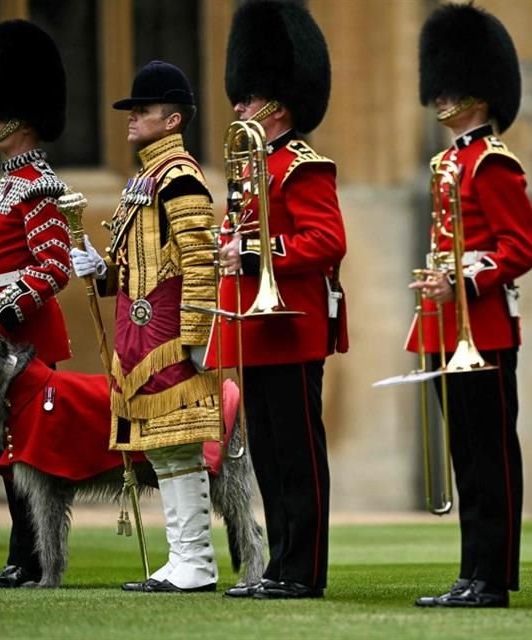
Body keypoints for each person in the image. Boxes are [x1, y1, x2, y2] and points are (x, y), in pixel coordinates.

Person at [206, 0, 346, 600]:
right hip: (254, 327)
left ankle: (304, 570)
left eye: (250, 95)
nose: (238, 105)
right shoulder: (251, 170)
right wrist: (231, 248)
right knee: (266, 453)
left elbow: (327, 241)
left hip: (291, 326)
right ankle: (280, 568)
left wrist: (260, 255)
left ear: (279, 102)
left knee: (297, 454)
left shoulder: (301, 167)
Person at [70, 60, 223, 593]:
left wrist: (199, 335)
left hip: (170, 336)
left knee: (180, 447)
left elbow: (200, 259)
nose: (132, 117)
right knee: (162, 449)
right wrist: (103, 269)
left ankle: (197, 561)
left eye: (144, 109)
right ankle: (183, 559)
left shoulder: (179, 177)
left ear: (174, 119)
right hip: (141, 335)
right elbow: (141, 261)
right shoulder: (145, 178)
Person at [409, 3, 532, 609]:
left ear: (481, 97)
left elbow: (522, 246)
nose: (441, 100)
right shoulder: (447, 164)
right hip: (446, 326)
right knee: (467, 456)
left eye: (454, 90)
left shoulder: (492, 163)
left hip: (483, 328)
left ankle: (492, 575)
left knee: (489, 457)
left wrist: (463, 278)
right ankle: (472, 572)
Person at [0, 19, 71, 589]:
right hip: (1, 337)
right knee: (8, 454)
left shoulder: (38, 185)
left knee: (25, 455)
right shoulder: (4, 184)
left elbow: (53, 269)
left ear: (23, 118)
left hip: (26, 340)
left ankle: (30, 560)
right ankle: (21, 558)